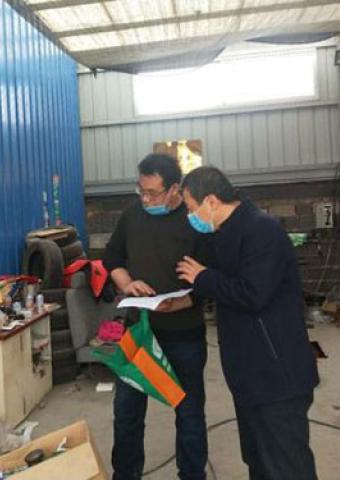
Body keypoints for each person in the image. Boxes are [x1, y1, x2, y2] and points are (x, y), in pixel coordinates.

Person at [176, 166, 319, 480]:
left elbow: (253, 294)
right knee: (259, 461)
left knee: (286, 467)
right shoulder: (224, 234)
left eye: (190, 208)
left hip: (276, 373)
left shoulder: (262, 230)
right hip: (250, 375)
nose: (189, 216)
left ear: (211, 201)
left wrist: (204, 277)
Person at [103, 153, 208, 480]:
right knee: (126, 413)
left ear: (175, 189)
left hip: (184, 334)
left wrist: (179, 303)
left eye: (153, 193)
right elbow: (112, 258)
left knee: (189, 414)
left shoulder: (195, 219)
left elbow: (211, 279)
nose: (145, 199)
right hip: (139, 332)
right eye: (141, 191)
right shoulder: (132, 214)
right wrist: (127, 283)